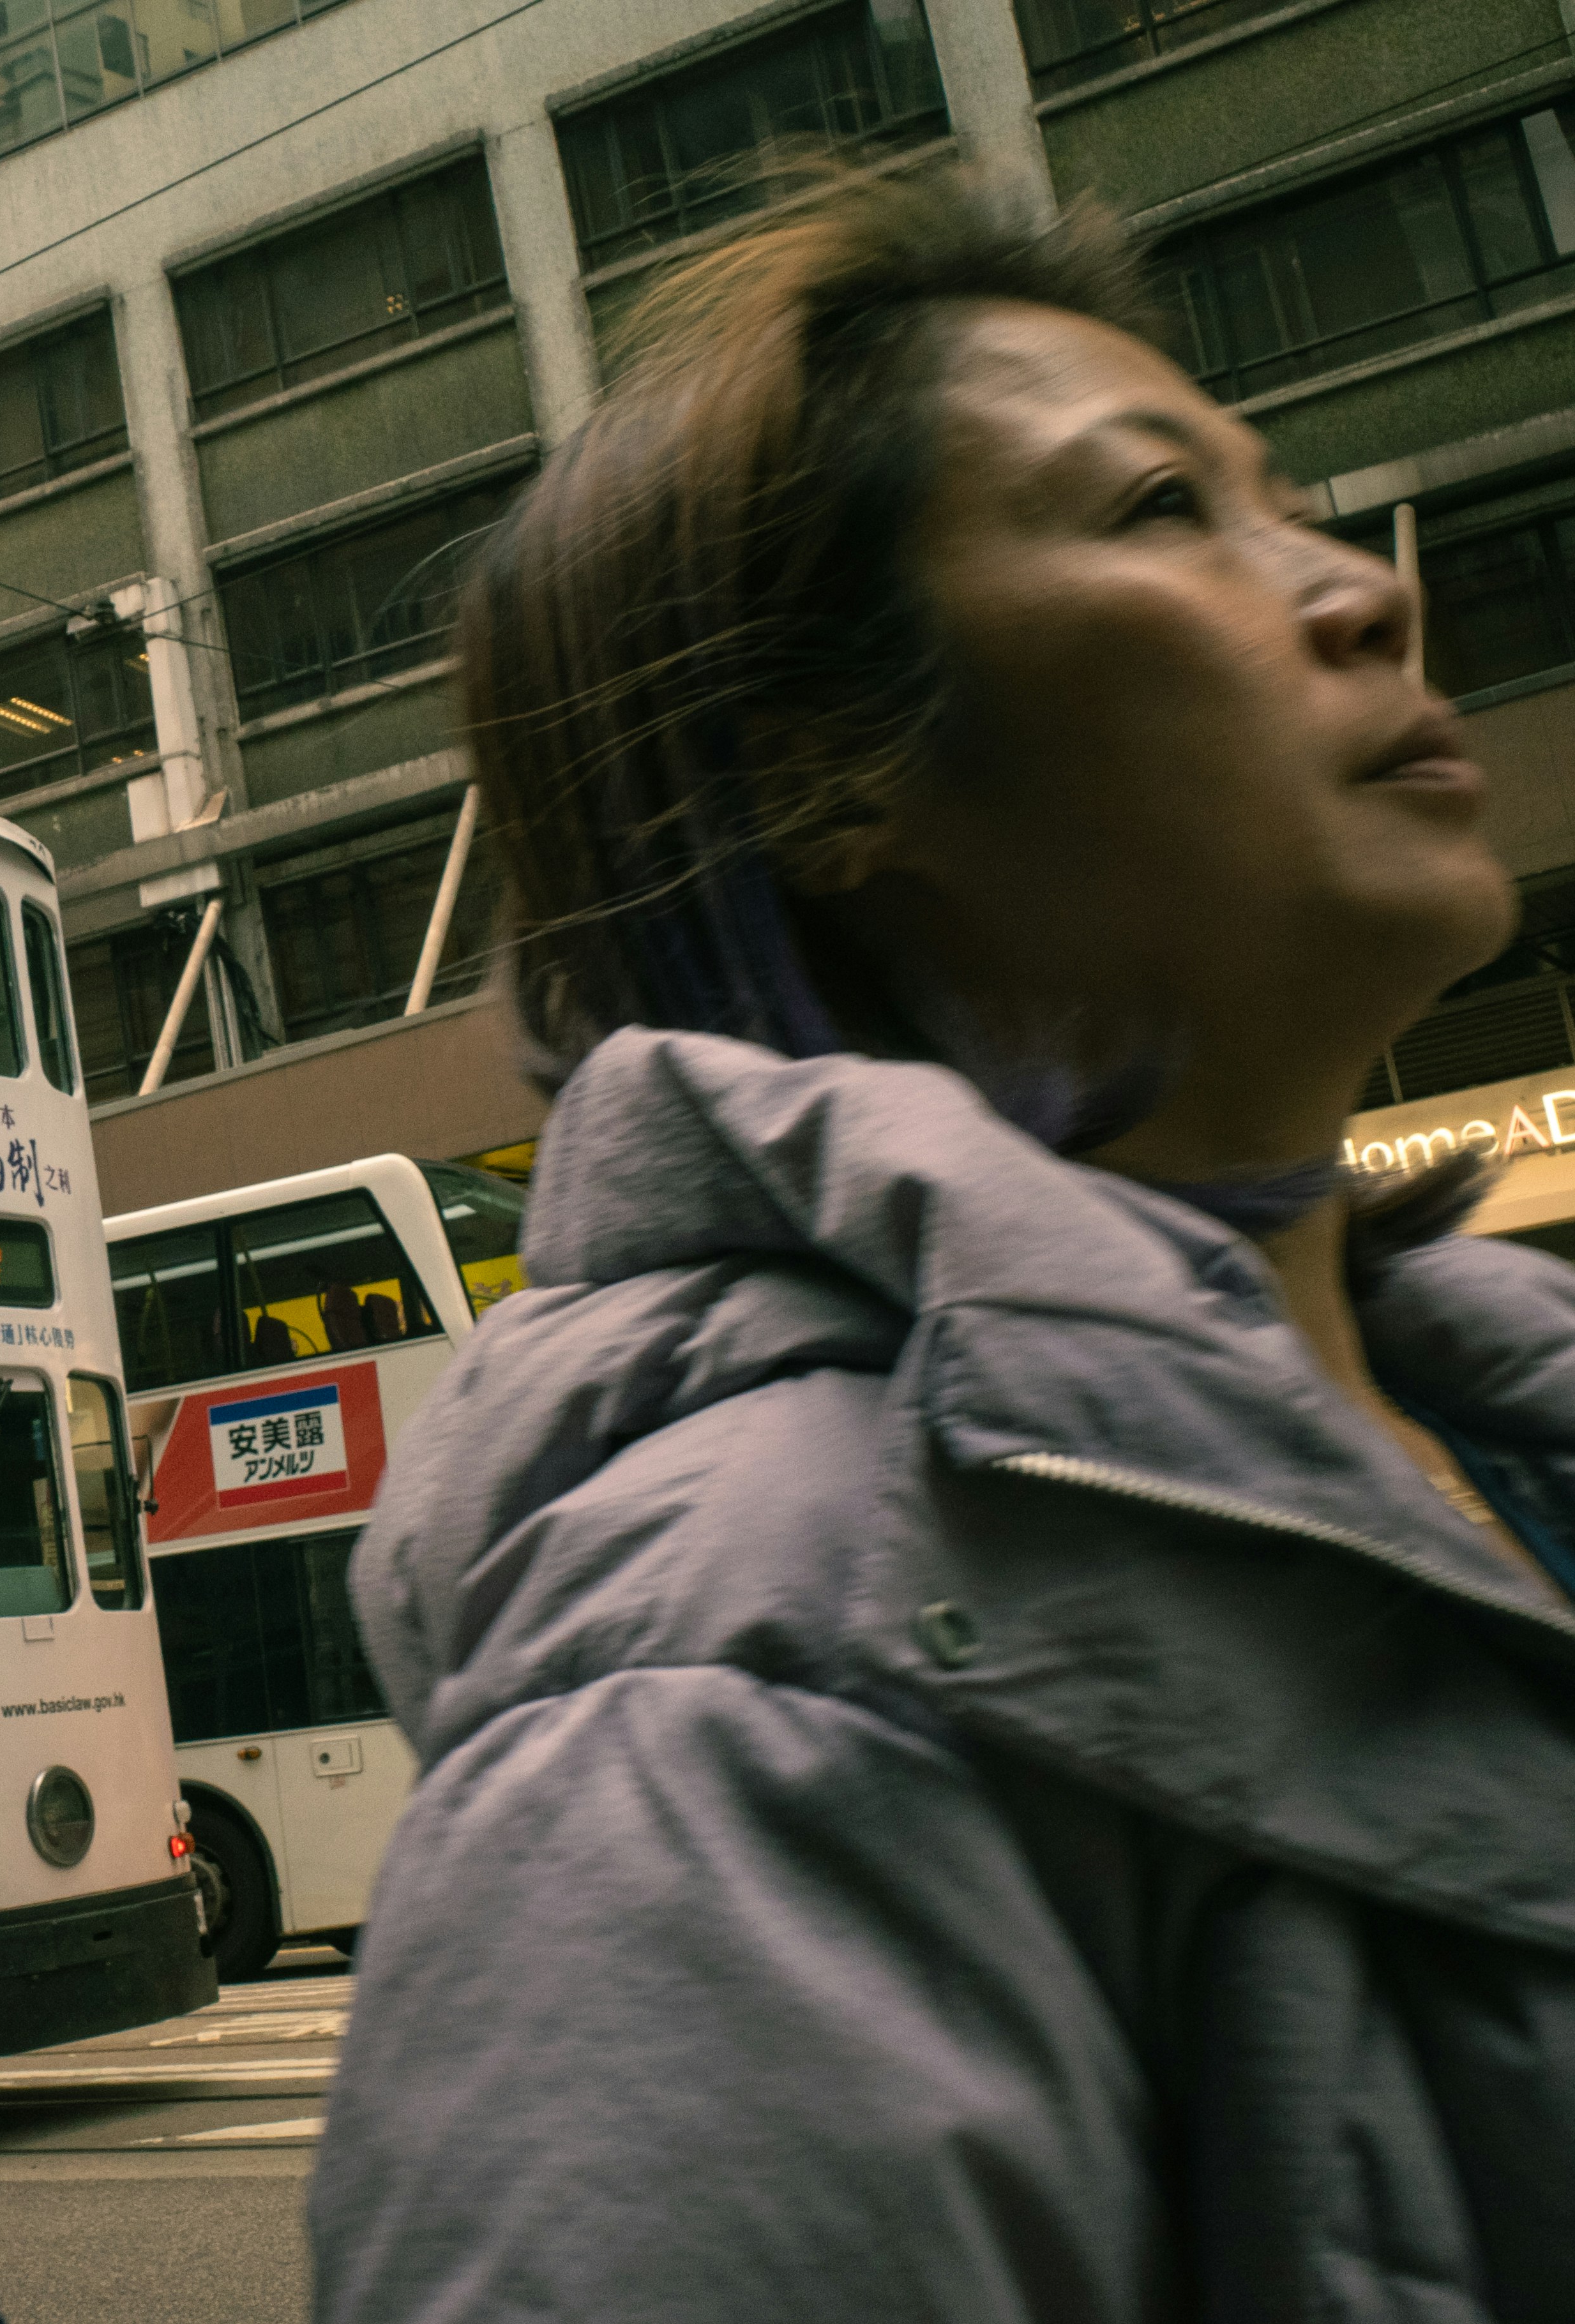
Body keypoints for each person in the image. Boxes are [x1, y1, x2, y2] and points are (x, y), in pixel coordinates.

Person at [307, 167, 1575, 2323]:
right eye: (1163, 508)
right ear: (821, 777)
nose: (1360, 592)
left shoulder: (1500, 1432)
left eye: (1285, 497)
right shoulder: (718, 1706)